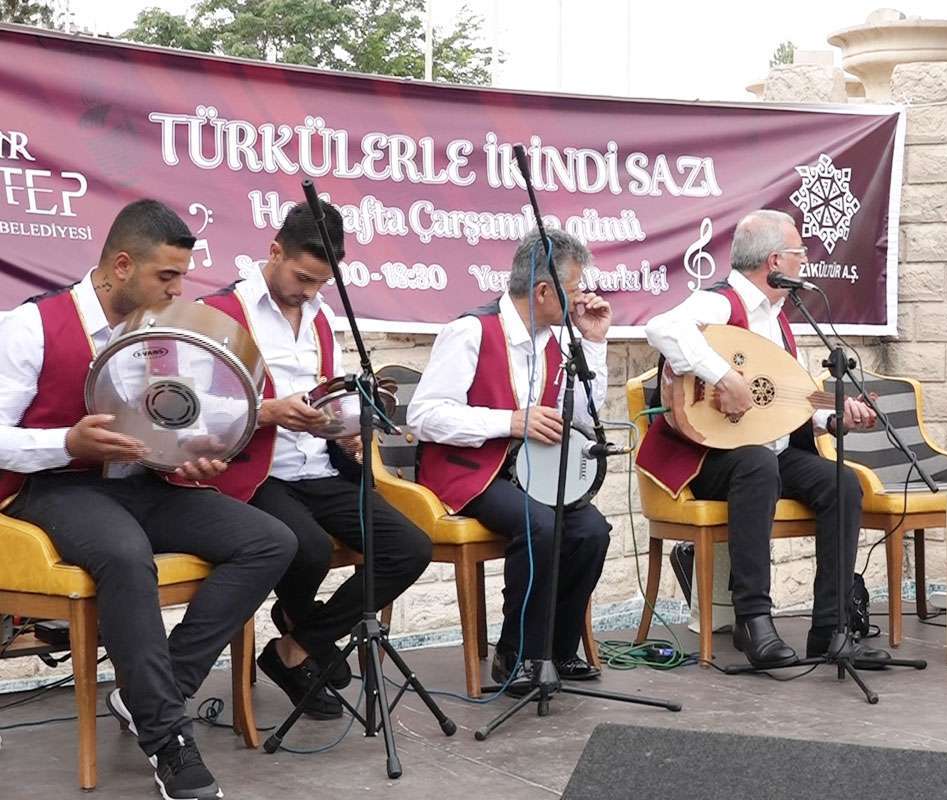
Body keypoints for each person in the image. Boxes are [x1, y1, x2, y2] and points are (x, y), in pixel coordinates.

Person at [0, 199, 297, 800]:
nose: (180, 288)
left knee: (269, 540)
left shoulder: (162, 332)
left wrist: (202, 448)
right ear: (120, 265)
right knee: (124, 554)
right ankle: (168, 740)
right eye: (167, 276)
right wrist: (65, 440)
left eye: (183, 275)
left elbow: (169, 421)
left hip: (142, 484)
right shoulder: (30, 325)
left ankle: (149, 694)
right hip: (52, 487)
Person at [198, 202, 433, 718]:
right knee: (301, 546)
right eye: (303, 277)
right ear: (274, 250)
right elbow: (195, 410)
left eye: (320, 283)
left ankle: (297, 645)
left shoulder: (321, 318)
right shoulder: (221, 313)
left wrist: (345, 427)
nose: (309, 292)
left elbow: (325, 395)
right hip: (261, 473)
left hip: (321, 468)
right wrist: (266, 412)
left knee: (410, 547)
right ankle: (309, 638)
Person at [640, 209, 887, 669]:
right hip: (710, 458)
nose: (804, 263)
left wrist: (835, 421)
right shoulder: (721, 303)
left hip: (768, 454)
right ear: (775, 260)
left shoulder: (779, 321)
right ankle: (753, 621)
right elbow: (663, 328)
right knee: (757, 463)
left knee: (842, 483)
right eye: (799, 254)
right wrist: (721, 376)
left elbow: (779, 409)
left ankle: (830, 631)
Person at [406, 228, 613, 685]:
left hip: (530, 476)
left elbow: (582, 415)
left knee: (593, 530)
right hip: (470, 474)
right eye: (575, 289)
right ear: (543, 291)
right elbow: (424, 416)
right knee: (540, 525)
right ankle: (518, 654)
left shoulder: (559, 340)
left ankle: (556, 652)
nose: (584, 298)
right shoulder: (470, 332)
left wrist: (594, 342)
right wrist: (508, 421)